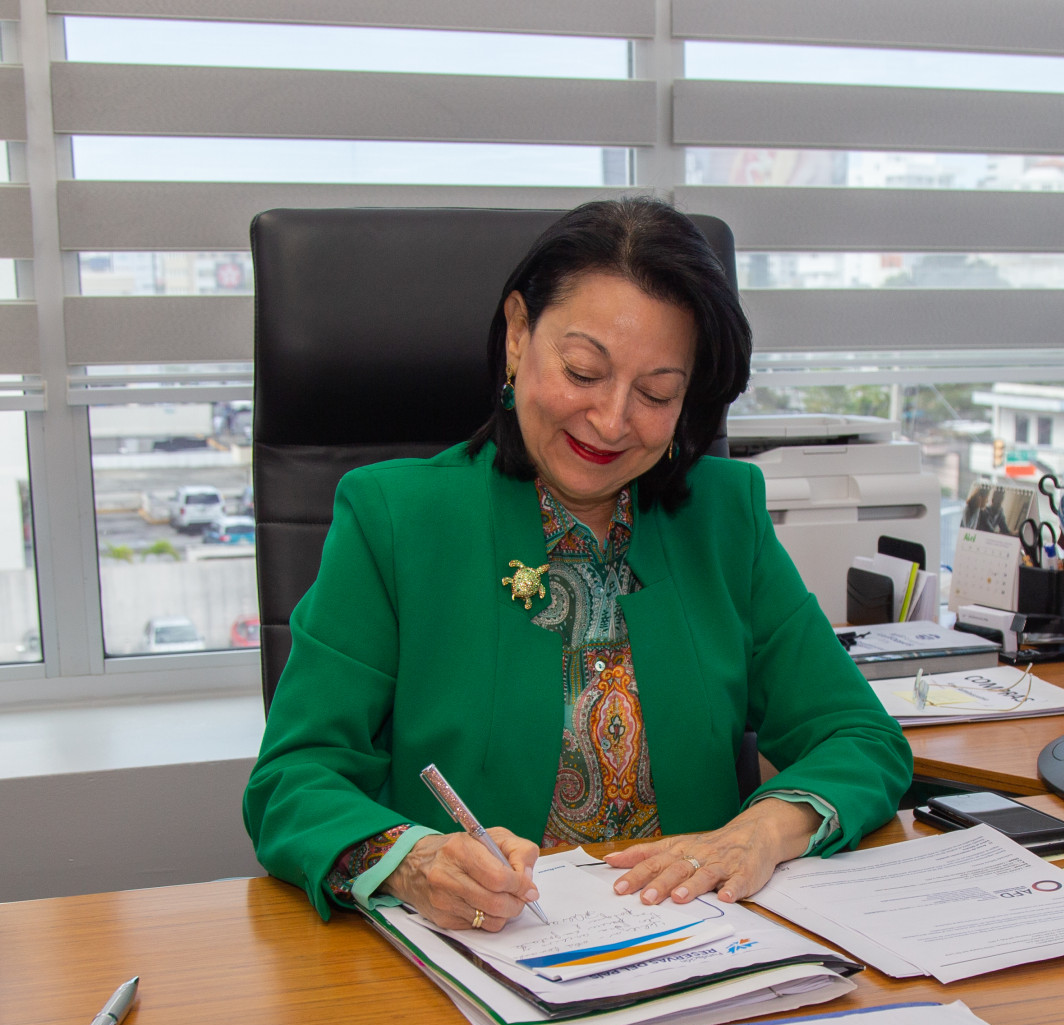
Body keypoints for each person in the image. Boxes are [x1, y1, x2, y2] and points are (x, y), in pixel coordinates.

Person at [243, 198, 913, 931]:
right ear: (517, 334)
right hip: (486, 949)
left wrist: (761, 831)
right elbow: (292, 782)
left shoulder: (725, 517)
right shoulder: (395, 518)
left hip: (700, 944)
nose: (612, 420)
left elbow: (860, 737)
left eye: (656, 393)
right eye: (584, 371)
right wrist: (413, 859)